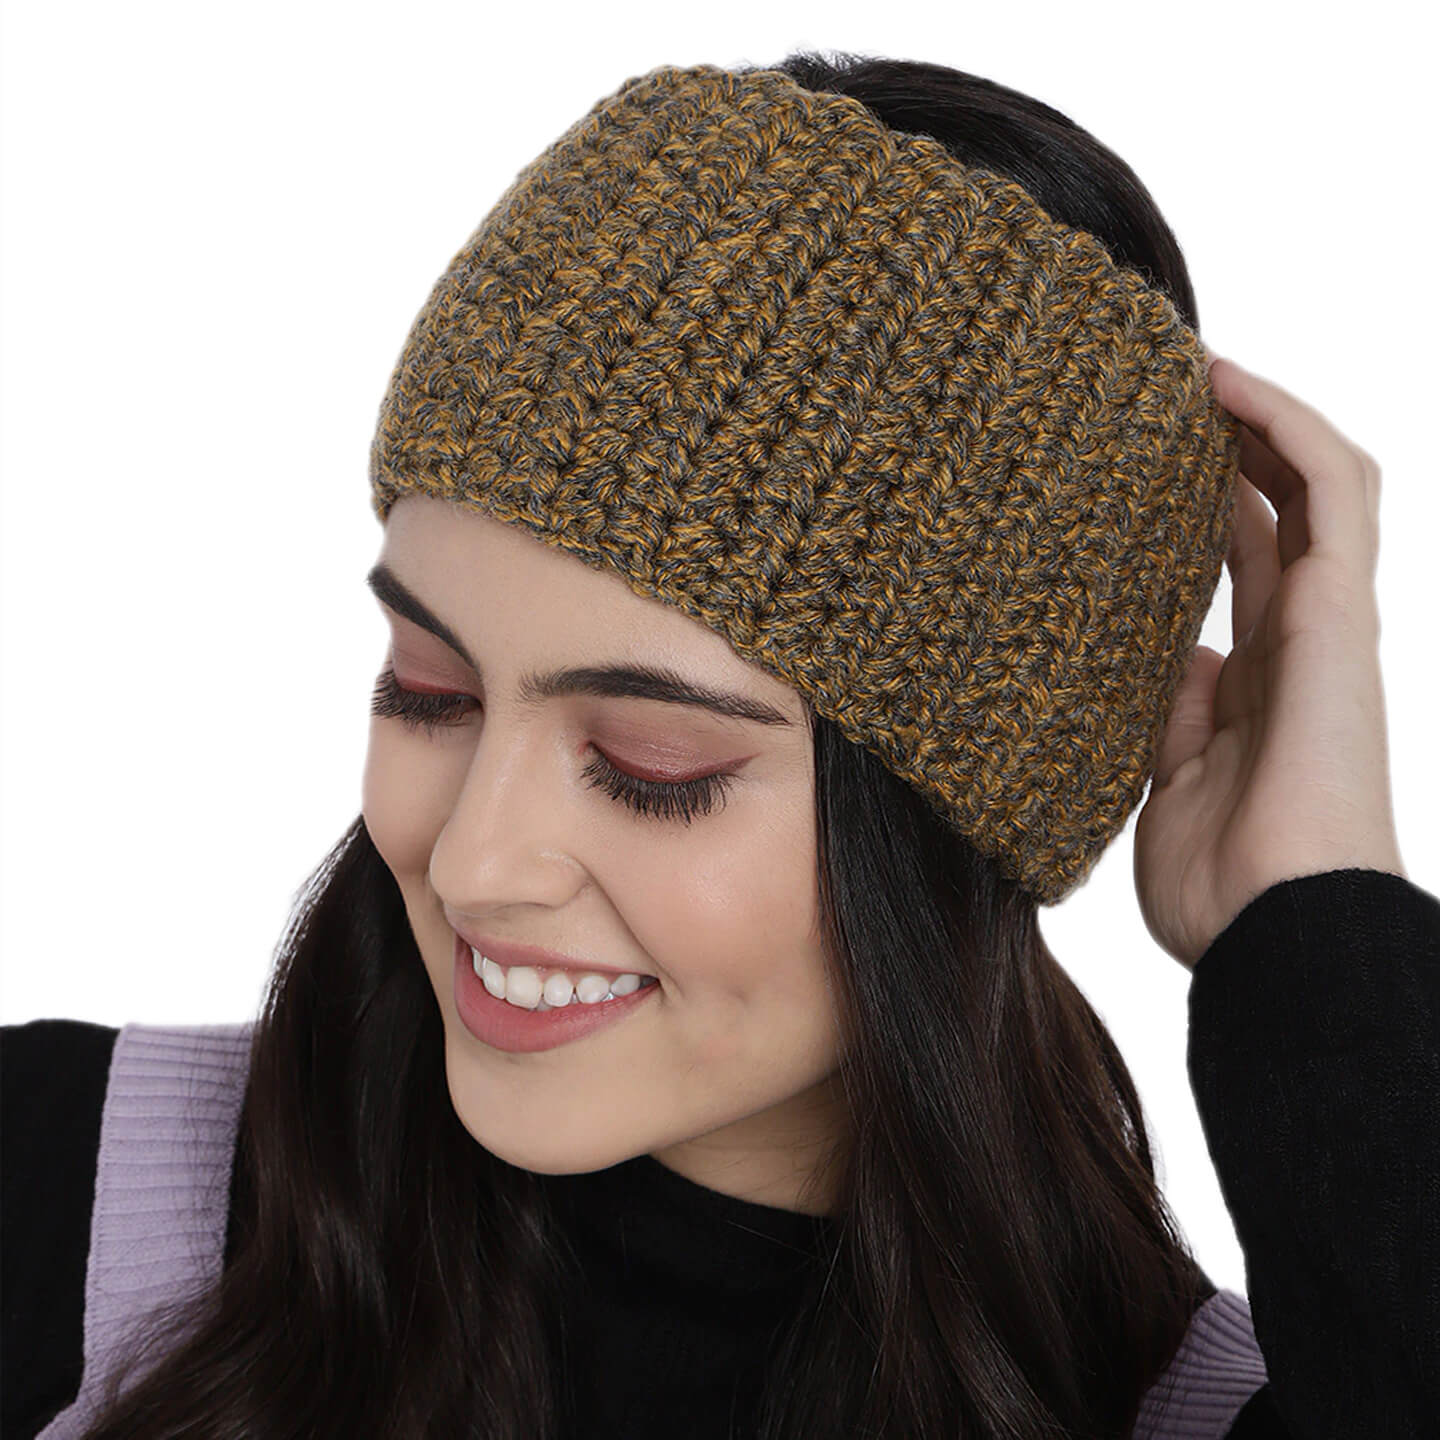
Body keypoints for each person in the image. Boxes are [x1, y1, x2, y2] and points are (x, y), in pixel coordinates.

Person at [3, 49, 1436, 1440]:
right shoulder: (53, 1188)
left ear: (947, 832)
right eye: (431, 691)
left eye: (652, 766)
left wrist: (1314, 920)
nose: (476, 859)